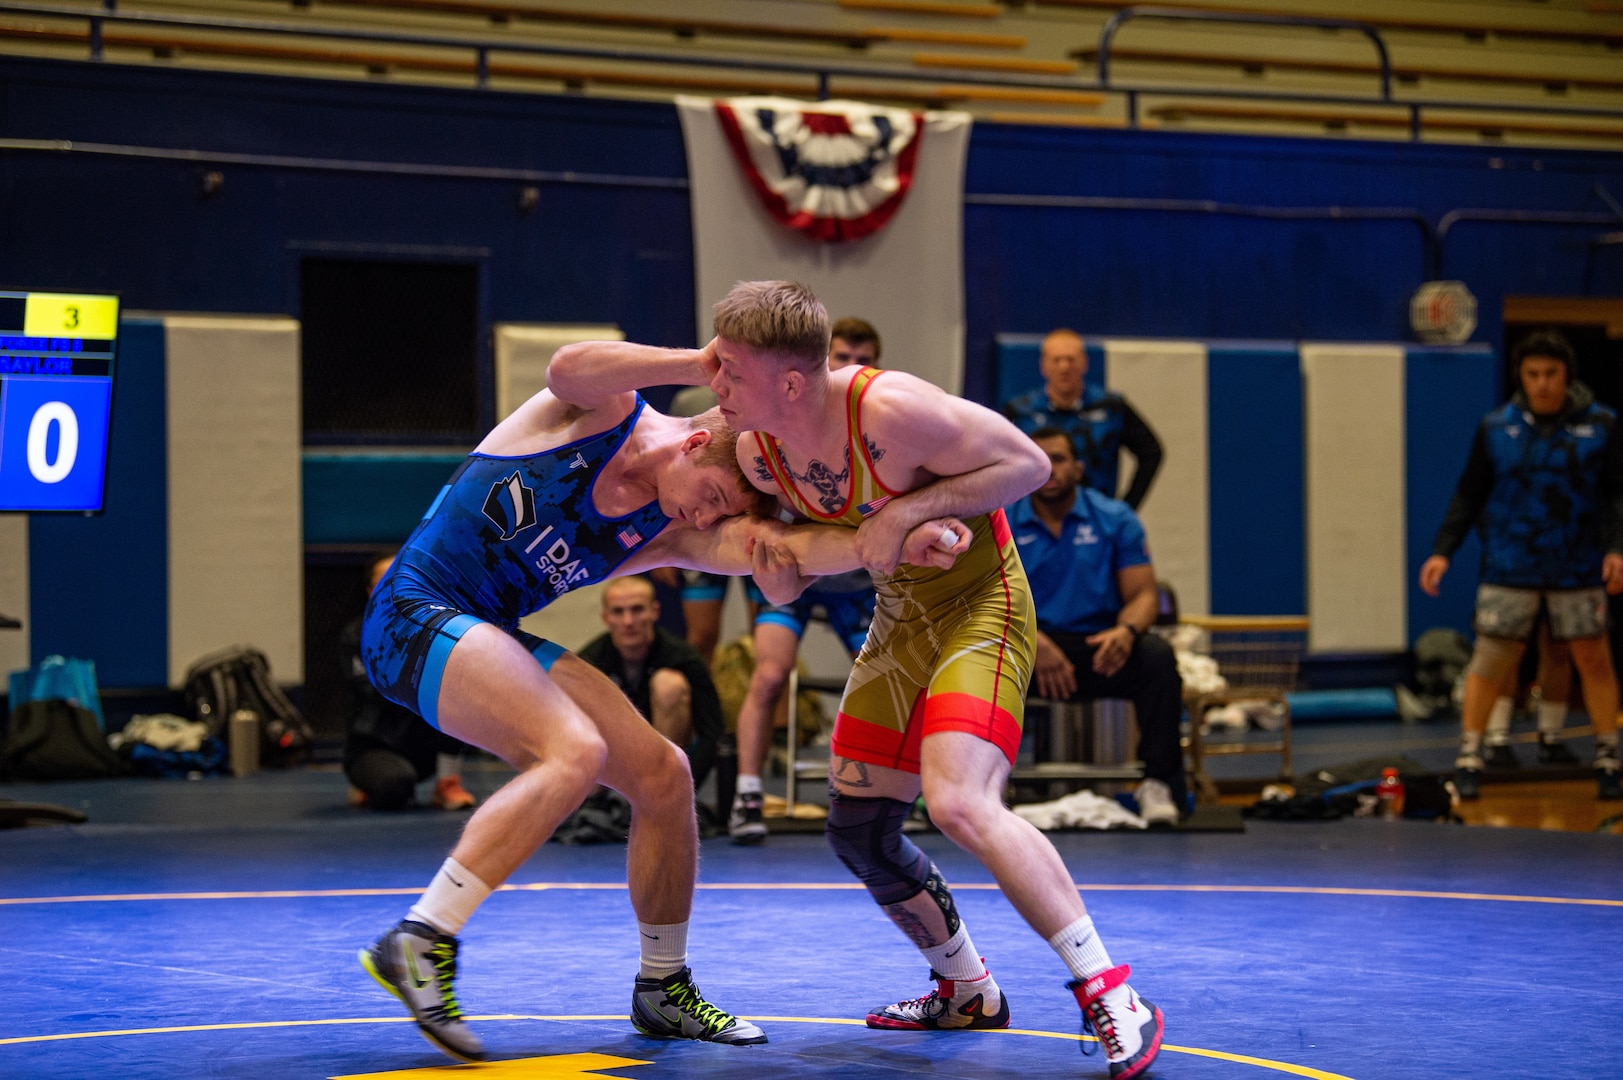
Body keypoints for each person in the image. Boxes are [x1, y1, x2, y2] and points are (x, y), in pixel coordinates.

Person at [551, 282, 1161, 1077]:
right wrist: (771, 548)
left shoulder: (891, 409)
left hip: (983, 605)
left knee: (957, 802)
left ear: (792, 382)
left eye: (730, 370)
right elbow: (754, 558)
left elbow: (1028, 463)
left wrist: (905, 513)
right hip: (902, 618)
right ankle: (965, 987)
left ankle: (1110, 992)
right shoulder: (752, 441)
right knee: (859, 826)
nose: (714, 384)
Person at [355, 343, 963, 1062]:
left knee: (664, 775)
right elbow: (565, 366)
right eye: (712, 496)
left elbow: (778, 547)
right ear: (697, 440)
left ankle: (662, 987)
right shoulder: (601, 412)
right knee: (572, 750)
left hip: (486, 630)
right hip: (412, 611)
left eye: (719, 512)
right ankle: (422, 937)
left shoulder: (666, 530)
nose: (706, 517)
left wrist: (893, 535)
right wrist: (701, 363)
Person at [1420, 329, 1623, 801]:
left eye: (1551, 373)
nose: (1543, 383)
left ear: (1567, 375)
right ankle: (1472, 753)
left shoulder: (1603, 425)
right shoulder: (1497, 427)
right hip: (1510, 561)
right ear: (1521, 377)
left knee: (1590, 656)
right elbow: (1469, 492)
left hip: (1577, 562)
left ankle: (1608, 755)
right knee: (1492, 655)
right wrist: (1442, 550)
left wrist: (1617, 547)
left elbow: (1616, 493)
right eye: (1533, 374)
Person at [728, 316, 883, 845]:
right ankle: (747, 793)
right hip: (793, 566)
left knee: (890, 678)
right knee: (770, 673)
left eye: (862, 356)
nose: (851, 365)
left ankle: (906, 791)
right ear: (822, 364)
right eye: (841, 355)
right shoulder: (780, 424)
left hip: (858, 579)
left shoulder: (881, 424)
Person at [1010, 428, 1187, 826]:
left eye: (1058, 459)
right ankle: (979, 786)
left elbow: (1144, 595)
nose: (1049, 469)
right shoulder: (1000, 518)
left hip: (1101, 648)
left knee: (1157, 658)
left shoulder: (1114, 518)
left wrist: (1125, 632)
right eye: (1039, 460)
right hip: (1026, 648)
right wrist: (1033, 640)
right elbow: (984, 596)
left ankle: (1157, 783)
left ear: (1078, 468)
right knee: (971, 660)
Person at [344, 552, 477, 812]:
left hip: (423, 747)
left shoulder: (432, 627)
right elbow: (372, 689)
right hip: (374, 746)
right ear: (371, 590)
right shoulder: (355, 635)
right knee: (394, 788)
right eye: (384, 581)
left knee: (456, 693)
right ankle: (367, 782)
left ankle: (447, 783)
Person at [577, 575, 725, 790]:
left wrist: (686, 789)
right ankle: (596, 796)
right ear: (606, 617)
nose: (628, 621)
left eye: (637, 609)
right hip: (611, 758)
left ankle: (663, 789)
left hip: (666, 753)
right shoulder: (590, 661)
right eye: (618, 611)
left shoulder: (684, 657)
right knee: (588, 690)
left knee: (669, 685)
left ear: (654, 611)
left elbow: (711, 733)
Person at [1001, 328, 1163, 510]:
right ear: (1043, 366)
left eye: (1070, 359)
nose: (1064, 367)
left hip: (1097, 519)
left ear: (1084, 363)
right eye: (1056, 360)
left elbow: (1151, 452)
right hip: (1033, 520)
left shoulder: (1111, 407)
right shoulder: (1020, 410)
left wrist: (1126, 508)